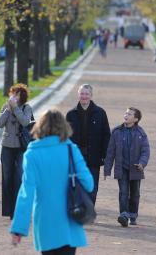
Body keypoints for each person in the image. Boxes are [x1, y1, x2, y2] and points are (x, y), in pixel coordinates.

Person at [10, 109, 94, 255]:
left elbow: (26, 193)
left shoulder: (32, 154)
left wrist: (19, 228)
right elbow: (89, 183)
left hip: (45, 219)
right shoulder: (71, 149)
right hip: (69, 216)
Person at [104, 107, 150, 227]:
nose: (126, 115)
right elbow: (110, 152)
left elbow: (145, 151)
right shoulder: (116, 132)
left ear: (135, 119)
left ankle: (133, 215)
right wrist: (107, 169)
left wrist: (142, 163)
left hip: (135, 169)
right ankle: (124, 215)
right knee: (123, 192)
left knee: (135, 193)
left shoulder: (141, 133)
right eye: (125, 113)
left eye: (129, 114)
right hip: (122, 168)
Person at [66, 84, 110, 206]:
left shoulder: (100, 113)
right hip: (76, 157)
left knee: (92, 185)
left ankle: (89, 210)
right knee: (76, 184)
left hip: (94, 157)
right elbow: (65, 136)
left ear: (91, 95)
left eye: (86, 94)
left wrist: (105, 154)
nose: (84, 96)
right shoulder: (71, 114)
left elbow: (106, 134)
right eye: (82, 93)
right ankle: (78, 208)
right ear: (78, 95)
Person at [0, 83, 33, 220]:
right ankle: (8, 210)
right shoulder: (6, 107)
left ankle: (18, 210)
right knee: (7, 178)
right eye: (13, 94)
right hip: (7, 147)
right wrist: (7, 110)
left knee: (19, 177)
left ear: (22, 96)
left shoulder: (27, 108)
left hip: (21, 148)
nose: (14, 96)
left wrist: (16, 108)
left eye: (17, 94)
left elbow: (25, 122)